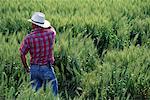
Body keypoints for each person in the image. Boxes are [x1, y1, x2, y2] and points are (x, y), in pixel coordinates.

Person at [19, 12, 58, 96]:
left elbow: (22, 54)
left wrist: (26, 67)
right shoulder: (51, 34)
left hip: (34, 69)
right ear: (43, 24)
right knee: (53, 95)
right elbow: (52, 28)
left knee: (36, 95)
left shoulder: (28, 38)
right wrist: (45, 25)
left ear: (33, 24)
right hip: (47, 68)